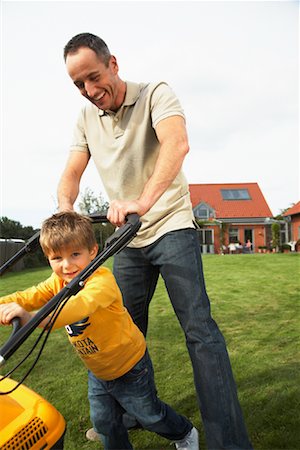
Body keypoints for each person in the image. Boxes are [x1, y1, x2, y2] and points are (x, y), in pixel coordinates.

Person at [57, 33, 253, 449]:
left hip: (171, 225)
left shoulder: (155, 95)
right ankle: (123, 417)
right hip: (127, 240)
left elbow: (177, 145)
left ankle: (228, 441)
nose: (90, 91)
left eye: (93, 77)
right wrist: (64, 209)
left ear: (113, 64)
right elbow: (72, 172)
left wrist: (141, 202)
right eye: (79, 85)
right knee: (118, 330)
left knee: (200, 332)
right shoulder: (85, 118)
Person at [0, 211, 199, 450]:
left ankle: (185, 432)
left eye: (75, 254)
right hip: (98, 369)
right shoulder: (57, 280)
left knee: (150, 416)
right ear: (48, 258)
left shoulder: (101, 281)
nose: (67, 265)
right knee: (104, 422)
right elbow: (29, 295)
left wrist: (33, 318)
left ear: (92, 252)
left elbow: (78, 307)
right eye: (57, 258)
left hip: (129, 365)